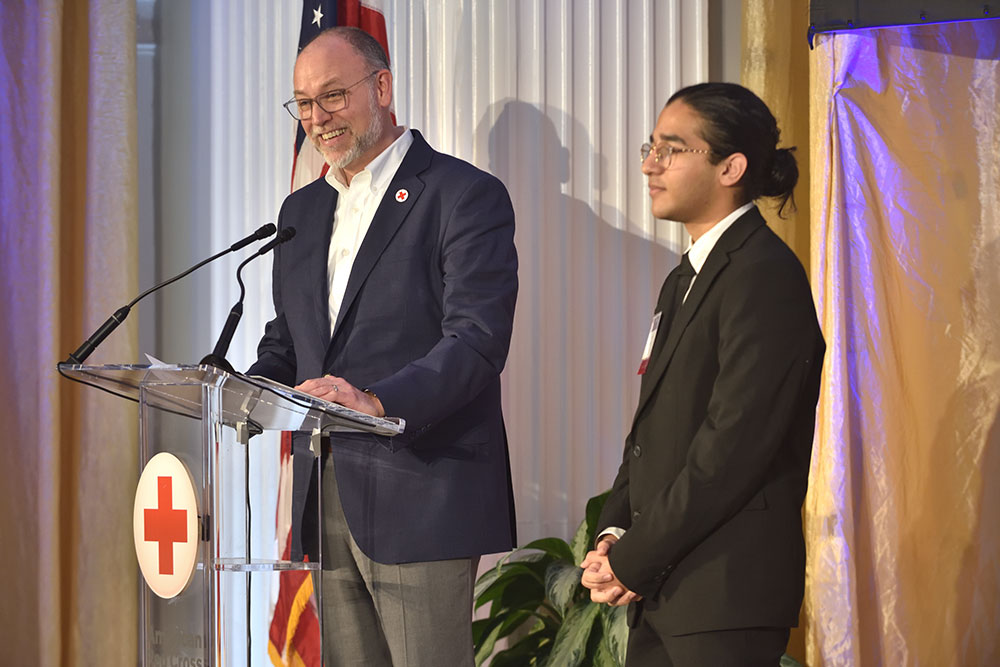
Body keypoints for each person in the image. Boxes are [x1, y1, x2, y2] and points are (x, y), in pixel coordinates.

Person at [247, 27, 518, 666]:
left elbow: (476, 341)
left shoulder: (461, 194)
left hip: (421, 488)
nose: (317, 118)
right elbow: (291, 338)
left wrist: (377, 401)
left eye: (332, 96)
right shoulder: (300, 210)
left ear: (382, 87)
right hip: (325, 489)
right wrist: (244, 388)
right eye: (303, 103)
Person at [580, 82, 825, 666]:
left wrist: (634, 558)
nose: (649, 165)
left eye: (671, 149)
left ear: (730, 167)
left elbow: (731, 449)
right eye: (651, 147)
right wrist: (614, 532)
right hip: (663, 586)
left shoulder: (765, 274)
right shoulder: (683, 278)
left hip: (724, 593)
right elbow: (650, 432)